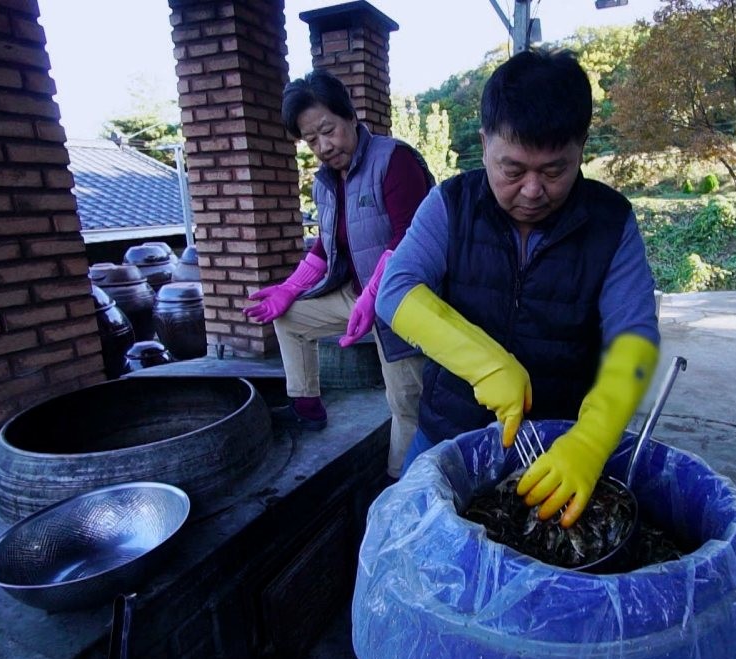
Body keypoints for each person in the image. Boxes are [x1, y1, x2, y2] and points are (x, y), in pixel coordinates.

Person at [375, 49, 661, 527]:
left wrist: (591, 440)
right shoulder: (451, 204)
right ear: (485, 143)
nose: (532, 190)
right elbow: (396, 290)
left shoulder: (610, 223)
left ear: (581, 148)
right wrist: (485, 365)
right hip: (447, 433)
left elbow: (634, 336)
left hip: (557, 448)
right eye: (513, 169)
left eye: (554, 171)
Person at [244, 70, 432, 479]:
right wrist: (290, 288)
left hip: (405, 303)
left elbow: (410, 239)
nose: (324, 146)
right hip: (357, 295)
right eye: (311, 140)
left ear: (349, 116)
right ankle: (307, 407)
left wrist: (374, 297)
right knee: (289, 317)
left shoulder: (394, 160)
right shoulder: (326, 182)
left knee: (405, 403)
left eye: (328, 130)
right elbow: (324, 247)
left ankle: (401, 482)